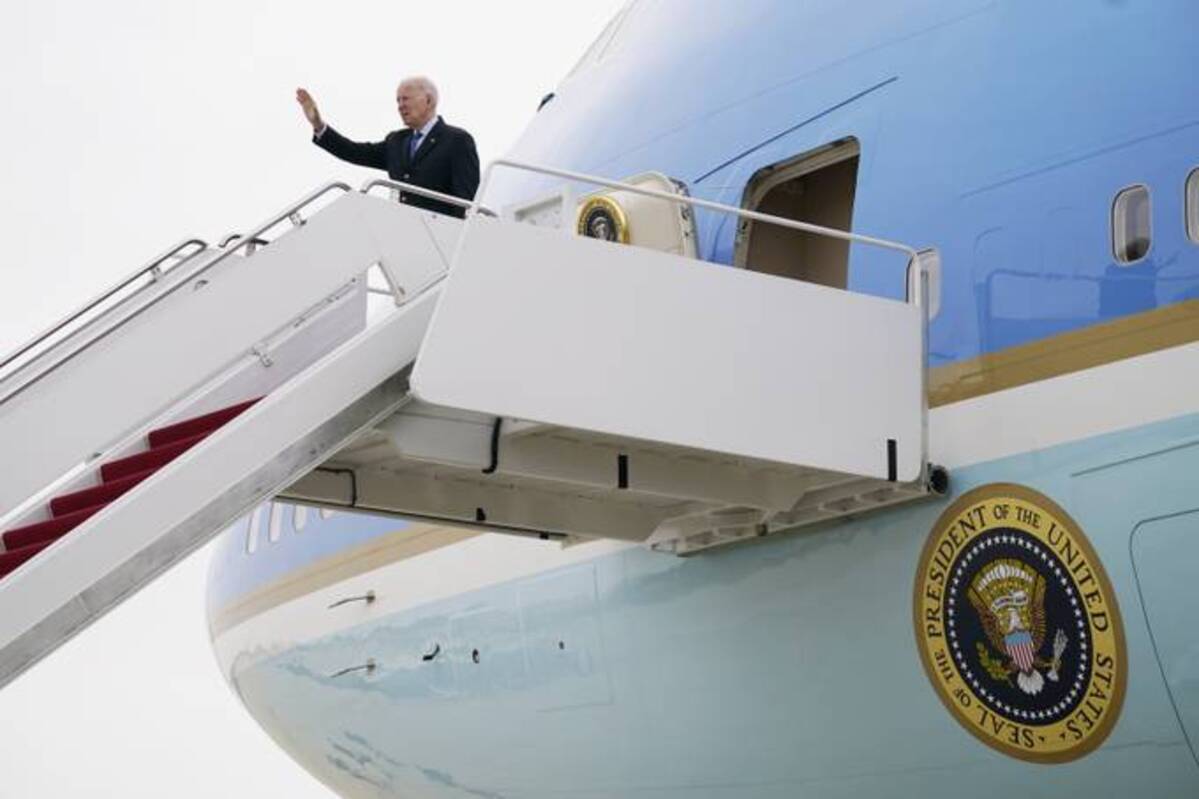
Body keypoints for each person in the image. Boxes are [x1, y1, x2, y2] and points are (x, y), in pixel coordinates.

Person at [296, 77, 479, 218]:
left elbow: (466, 202)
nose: (400, 106)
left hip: (440, 237)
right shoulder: (396, 141)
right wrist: (319, 125)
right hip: (399, 232)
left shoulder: (457, 140)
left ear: (428, 100)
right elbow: (354, 152)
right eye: (398, 101)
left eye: (405, 99)